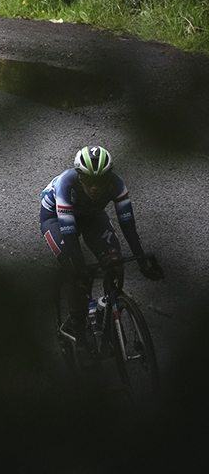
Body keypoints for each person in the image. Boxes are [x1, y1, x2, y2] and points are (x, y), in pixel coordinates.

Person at [41, 145, 164, 344]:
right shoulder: (66, 184)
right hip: (56, 218)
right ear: (80, 177)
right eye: (89, 181)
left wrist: (142, 262)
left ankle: (108, 315)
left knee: (116, 263)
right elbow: (69, 233)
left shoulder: (116, 184)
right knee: (73, 269)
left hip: (91, 215)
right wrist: (80, 270)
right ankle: (80, 335)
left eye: (100, 181)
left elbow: (129, 226)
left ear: (109, 177)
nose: (94, 187)